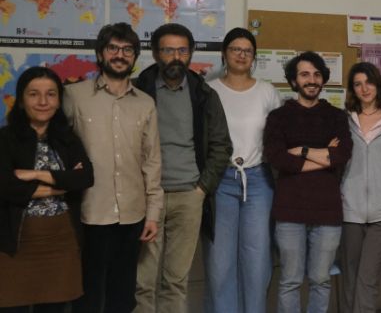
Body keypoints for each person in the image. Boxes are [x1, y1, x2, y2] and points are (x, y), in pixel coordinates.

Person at [134, 23, 232, 313]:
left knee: (176, 281)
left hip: (189, 196)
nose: (176, 57)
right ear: (156, 53)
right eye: (168, 50)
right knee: (142, 281)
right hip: (147, 197)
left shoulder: (204, 94)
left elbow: (222, 145)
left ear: (190, 53)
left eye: (182, 50)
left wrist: (202, 189)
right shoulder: (138, 90)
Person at [65, 23, 163, 313]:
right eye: (113, 48)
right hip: (90, 212)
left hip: (133, 214)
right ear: (100, 53)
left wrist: (153, 214)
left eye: (127, 50)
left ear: (135, 57)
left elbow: (152, 161)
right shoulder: (74, 96)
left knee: (122, 296)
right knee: (88, 296)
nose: (120, 55)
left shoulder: (145, 103)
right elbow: (57, 146)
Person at [263, 51, 353, 313]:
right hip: (289, 211)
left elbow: (342, 155)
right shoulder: (278, 117)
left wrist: (301, 150)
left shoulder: (337, 116)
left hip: (327, 212)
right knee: (290, 281)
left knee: (321, 280)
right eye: (304, 75)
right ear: (294, 81)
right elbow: (278, 158)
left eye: (316, 74)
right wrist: (324, 156)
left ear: (323, 79)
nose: (311, 80)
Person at [0, 67, 94, 312]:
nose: (43, 101)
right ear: (21, 101)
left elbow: (85, 177)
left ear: (59, 101)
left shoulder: (68, 139)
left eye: (51, 94)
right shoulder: (5, 139)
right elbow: (5, 186)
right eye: (34, 94)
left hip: (61, 243)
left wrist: (34, 175)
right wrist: (61, 184)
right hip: (15, 245)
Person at [202, 28, 281, 313]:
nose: (241, 55)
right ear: (224, 53)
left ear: (254, 57)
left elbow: (279, 137)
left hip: (258, 181)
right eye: (236, 49)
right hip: (220, 181)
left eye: (248, 51)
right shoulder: (209, 90)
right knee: (219, 262)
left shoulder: (267, 92)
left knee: (257, 261)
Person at [340, 62, 381, 313]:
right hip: (349, 211)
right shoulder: (343, 121)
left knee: (368, 280)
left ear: (378, 84)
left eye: (369, 82)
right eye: (358, 84)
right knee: (349, 279)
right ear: (352, 90)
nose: (364, 89)